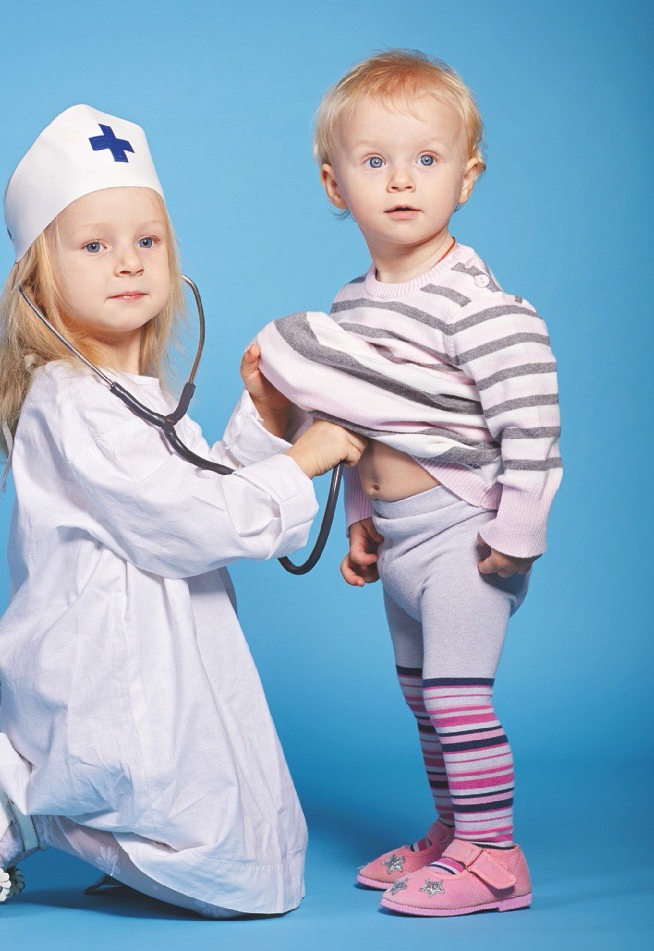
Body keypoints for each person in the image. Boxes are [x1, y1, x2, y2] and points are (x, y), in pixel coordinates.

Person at [0, 104, 364, 921]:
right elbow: (193, 520)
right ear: (38, 278)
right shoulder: (72, 403)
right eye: (94, 245)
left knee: (254, 857)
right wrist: (305, 459)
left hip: (167, 655)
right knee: (236, 878)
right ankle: (29, 806)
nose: (129, 261)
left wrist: (265, 419)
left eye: (148, 240)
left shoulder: (134, 395)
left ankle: (77, 823)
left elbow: (199, 486)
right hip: (116, 663)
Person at [253, 51, 562, 916]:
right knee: (424, 700)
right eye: (374, 160)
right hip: (400, 536)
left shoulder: (477, 303)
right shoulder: (351, 307)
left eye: (427, 159)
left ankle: (495, 856)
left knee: (460, 700)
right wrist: (361, 520)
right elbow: (364, 425)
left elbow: (531, 421)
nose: (401, 181)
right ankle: (455, 830)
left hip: (466, 532)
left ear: (467, 177)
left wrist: (518, 532)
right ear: (334, 184)